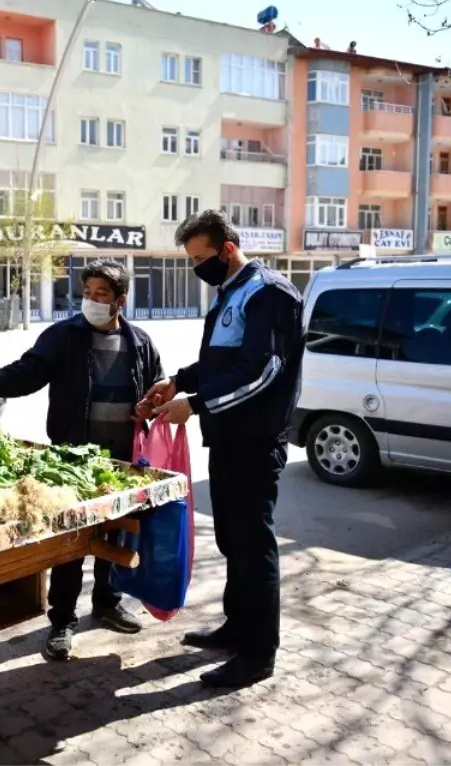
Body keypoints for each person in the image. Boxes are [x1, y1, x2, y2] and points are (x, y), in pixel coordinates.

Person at [140, 210, 304, 689]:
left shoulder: (269, 293)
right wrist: (178, 382)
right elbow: (220, 362)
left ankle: (258, 653)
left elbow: (262, 371)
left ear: (227, 250)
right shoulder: (229, 293)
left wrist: (196, 404)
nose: (197, 267)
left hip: (256, 442)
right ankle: (238, 627)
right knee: (232, 540)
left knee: (254, 545)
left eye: (200, 258)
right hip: (228, 438)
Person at [0, 259, 165, 661]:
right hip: (73, 458)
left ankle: (107, 601)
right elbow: (30, 371)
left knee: (115, 534)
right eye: (89, 293)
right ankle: (62, 619)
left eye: (103, 294)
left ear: (121, 301)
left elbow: (155, 387)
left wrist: (150, 405)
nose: (93, 301)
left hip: (121, 461)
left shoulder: (141, 342)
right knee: (72, 541)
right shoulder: (64, 336)